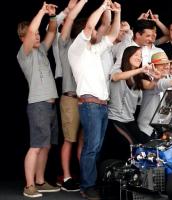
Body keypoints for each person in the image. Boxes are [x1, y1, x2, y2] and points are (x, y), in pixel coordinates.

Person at [67, 0, 120, 198]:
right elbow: (91, 26)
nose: (100, 32)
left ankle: (91, 183)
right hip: (89, 104)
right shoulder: (77, 48)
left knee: (96, 147)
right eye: (96, 31)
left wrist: (117, 12)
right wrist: (101, 8)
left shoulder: (95, 50)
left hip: (101, 105)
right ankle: (87, 186)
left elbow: (113, 35)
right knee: (91, 147)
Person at [17, 2, 61, 198]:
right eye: (32, 34)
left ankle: (40, 181)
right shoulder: (24, 54)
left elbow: (51, 31)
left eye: (37, 34)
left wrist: (51, 16)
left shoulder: (42, 50)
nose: (36, 36)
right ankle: (29, 186)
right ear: (23, 38)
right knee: (36, 146)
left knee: (46, 145)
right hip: (38, 105)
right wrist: (41, 11)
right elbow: (33, 29)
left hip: (51, 105)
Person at [57, 0, 88, 192]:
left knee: (84, 142)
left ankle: (85, 177)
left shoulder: (90, 49)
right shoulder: (66, 44)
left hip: (87, 100)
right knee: (70, 139)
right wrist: (81, 3)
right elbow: (68, 21)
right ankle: (67, 177)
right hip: (70, 99)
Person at [104, 46, 153, 161]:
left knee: (145, 143)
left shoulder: (137, 78)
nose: (139, 58)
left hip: (130, 120)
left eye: (140, 56)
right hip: (115, 119)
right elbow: (116, 77)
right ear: (127, 56)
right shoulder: (118, 71)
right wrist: (141, 70)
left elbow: (151, 86)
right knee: (131, 146)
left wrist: (156, 78)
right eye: (136, 55)